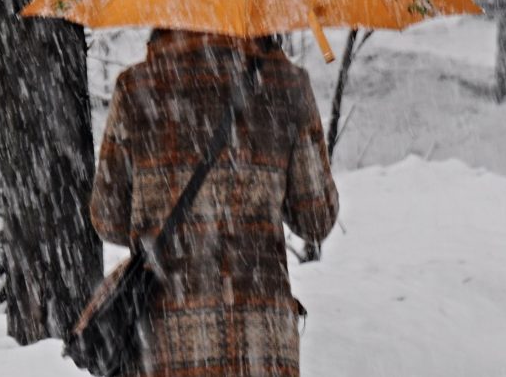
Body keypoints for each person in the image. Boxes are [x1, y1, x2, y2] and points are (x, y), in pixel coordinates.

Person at [91, 29, 339, 376]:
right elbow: (316, 218)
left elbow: (108, 218)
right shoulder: (287, 85)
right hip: (259, 342)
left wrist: (167, 227)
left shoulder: (135, 88)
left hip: (165, 341)